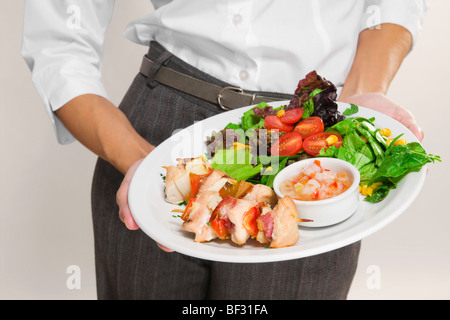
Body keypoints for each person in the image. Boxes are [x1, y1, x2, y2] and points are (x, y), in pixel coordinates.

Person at [22, 0, 426, 300]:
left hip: (305, 136)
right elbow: (59, 42)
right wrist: (143, 164)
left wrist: (361, 97)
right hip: (160, 130)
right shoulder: (147, 156)